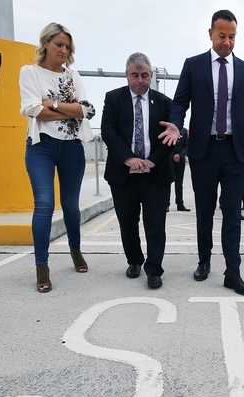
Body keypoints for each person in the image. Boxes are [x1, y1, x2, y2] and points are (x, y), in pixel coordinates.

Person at [159, 10, 244, 296]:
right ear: (211, 34)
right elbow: (180, 103)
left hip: (235, 150)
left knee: (232, 213)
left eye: (232, 37)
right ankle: (204, 261)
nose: (227, 42)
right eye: (222, 36)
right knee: (204, 210)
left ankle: (233, 272)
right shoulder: (194, 65)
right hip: (203, 150)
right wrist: (176, 126)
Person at [19, 23, 95, 293]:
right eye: (59, 45)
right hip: (41, 146)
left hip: (72, 146)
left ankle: (75, 251)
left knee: (71, 205)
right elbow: (31, 108)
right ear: (45, 43)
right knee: (44, 204)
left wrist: (49, 104)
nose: (64, 50)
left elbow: (87, 110)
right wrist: (68, 110)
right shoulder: (30, 72)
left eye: (67, 46)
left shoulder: (73, 76)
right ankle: (42, 266)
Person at [101, 52, 173, 289]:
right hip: (123, 175)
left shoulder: (164, 103)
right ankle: (134, 261)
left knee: (155, 223)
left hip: (156, 175)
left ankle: (154, 269)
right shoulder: (113, 99)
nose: (140, 80)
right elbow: (108, 132)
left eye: (144, 75)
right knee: (127, 222)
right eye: (135, 75)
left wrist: (154, 161)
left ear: (151, 76)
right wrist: (128, 159)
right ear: (127, 75)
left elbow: (173, 137)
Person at [170, 127, 191, 212]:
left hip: (180, 161)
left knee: (179, 183)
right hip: (169, 160)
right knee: (167, 182)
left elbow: (187, 145)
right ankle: (166, 204)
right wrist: (173, 155)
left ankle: (180, 203)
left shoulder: (184, 131)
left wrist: (180, 155)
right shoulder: (169, 130)